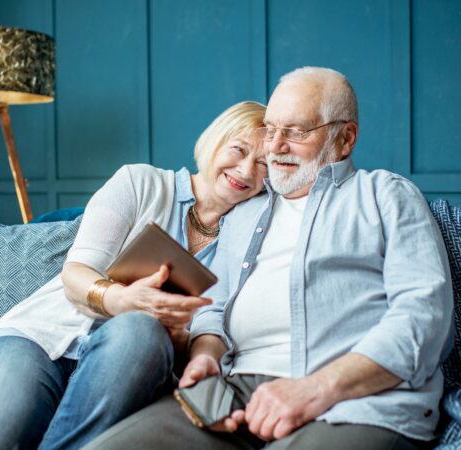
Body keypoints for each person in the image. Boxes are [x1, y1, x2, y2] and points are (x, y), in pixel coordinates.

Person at [84, 67, 454, 450]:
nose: (275, 146)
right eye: (270, 128)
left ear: (345, 138)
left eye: (295, 132)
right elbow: (214, 307)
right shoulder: (243, 212)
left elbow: (424, 318)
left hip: (353, 401)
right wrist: (206, 357)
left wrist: (313, 390)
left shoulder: (386, 196)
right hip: (234, 397)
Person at [0, 101, 269, 450]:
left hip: (137, 354)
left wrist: (198, 353)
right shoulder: (140, 182)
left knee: (140, 327)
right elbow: (77, 272)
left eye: (263, 163)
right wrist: (120, 299)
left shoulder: (252, 231)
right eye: (239, 149)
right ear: (215, 142)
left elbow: (210, 323)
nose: (246, 170)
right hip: (42, 335)